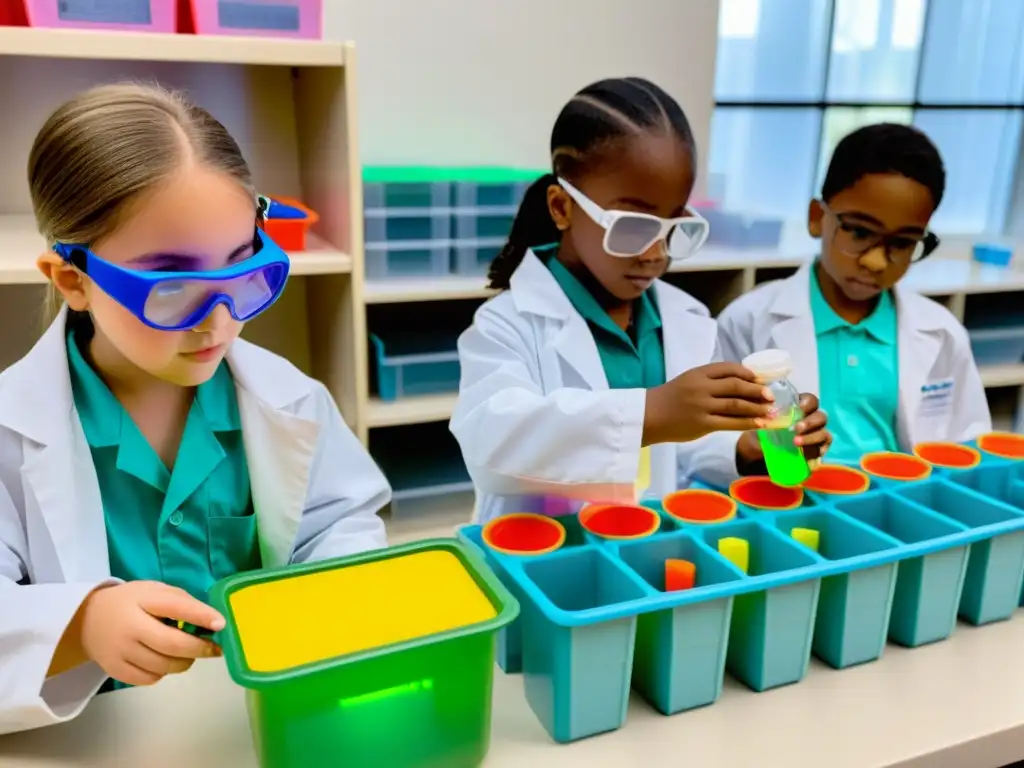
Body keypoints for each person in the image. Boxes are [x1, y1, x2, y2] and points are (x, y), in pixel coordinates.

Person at [0, 83, 390, 735]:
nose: (218, 319)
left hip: (254, 722)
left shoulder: (288, 403)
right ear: (74, 281)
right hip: (93, 738)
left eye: (242, 272)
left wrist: (327, 590)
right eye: (174, 288)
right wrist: (78, 624)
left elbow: (339, 524)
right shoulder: (13, 431)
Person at [449, 78, 831, 524]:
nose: (655, 254)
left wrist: (745, 451)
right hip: (545, 554)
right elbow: (492, 442)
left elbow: (686, 451)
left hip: (650, 551)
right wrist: (652, 413)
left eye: (673, 227)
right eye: (632, 227)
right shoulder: (506, 324)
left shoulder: (683, 319)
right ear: (561, 207)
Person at [717, 122, 991, 463]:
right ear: (818, 217)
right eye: (860, 232)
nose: (876, 262)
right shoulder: (747, 320)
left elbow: (970, 444)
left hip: (895, 505)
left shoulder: (942, 333)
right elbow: (708, 447)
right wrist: (746, 450)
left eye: (904, 242)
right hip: (785, 502)